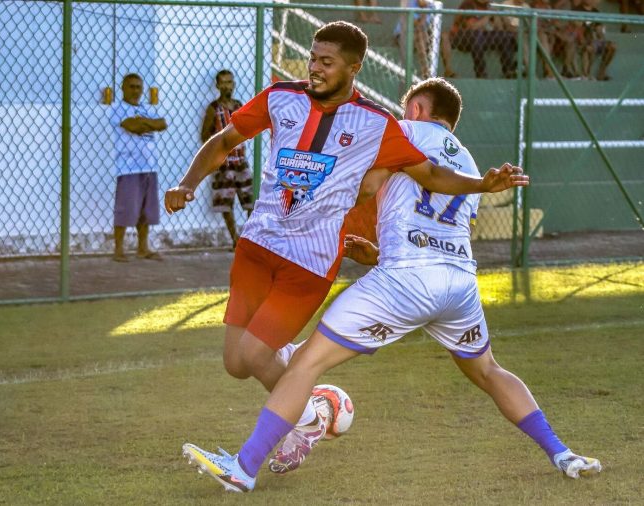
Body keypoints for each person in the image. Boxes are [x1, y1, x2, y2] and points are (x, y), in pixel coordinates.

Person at [181, 78, 599, 493]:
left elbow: (366, 186)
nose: (401, 114)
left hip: (403, 281)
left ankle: (246, 467)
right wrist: (377, 252)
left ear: (417, 109)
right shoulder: (470, 164)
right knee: (489, 370)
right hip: (458, 285)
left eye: (406, 107)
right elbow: (436, 230)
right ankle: (563, 453)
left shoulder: (402, 132)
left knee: (306, 364)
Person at [166, 21, 527, 481]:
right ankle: (314, 409)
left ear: (354, 68)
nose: (315, 68)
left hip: (310, 263)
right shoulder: (280, 97)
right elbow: (224, 141)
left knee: (258, 354)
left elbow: (432, 177)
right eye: (313, 58)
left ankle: (300, 423)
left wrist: (482, 183)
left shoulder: (377, 124)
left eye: (326, 62)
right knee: (236, 364)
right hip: (257, 247)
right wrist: (187, 183)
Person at [110, 73, 168, 262]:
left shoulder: (144, 108)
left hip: (149, 167)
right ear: (123, 88)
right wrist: (147, 124)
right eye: (131, 87)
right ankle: (118, 249)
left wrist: (142, 122)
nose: (135, 91)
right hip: (128, 168)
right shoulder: (118, 108)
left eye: (138, 87)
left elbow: (162, 123)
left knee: (146, 210)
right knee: (126, 208)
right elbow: (133, 127)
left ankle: (143, 248)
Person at [201, 70, 254, 248]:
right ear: (217, 86)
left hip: (240, 160)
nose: (226, 86)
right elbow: (205, 134)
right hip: (224, 162)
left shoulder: (239, 105)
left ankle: (249, 238)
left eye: (229, 82)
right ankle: (235, 240)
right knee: (226, 202)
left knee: (250, 199)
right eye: (223, 83)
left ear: (234, 84)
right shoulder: (214, 109)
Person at [440, 0, 518, 79]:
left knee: (504, 36)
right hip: (462, 38)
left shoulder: (489, 6)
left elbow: (499, 29)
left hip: (482, 38)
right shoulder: (468, 4)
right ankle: (481, 73)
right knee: (477, 34)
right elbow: (472, 27)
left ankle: (509, 70)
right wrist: (488, 15)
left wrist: (496, 15)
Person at [573, 0, 616, 80]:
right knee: (590, 47)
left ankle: (602, 71)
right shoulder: (577, 10)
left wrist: (601, 36)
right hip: (581, 40)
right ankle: (586, 74)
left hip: (593, 41)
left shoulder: (596, 12)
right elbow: (577, 27)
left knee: (612, 46)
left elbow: (599, 31)